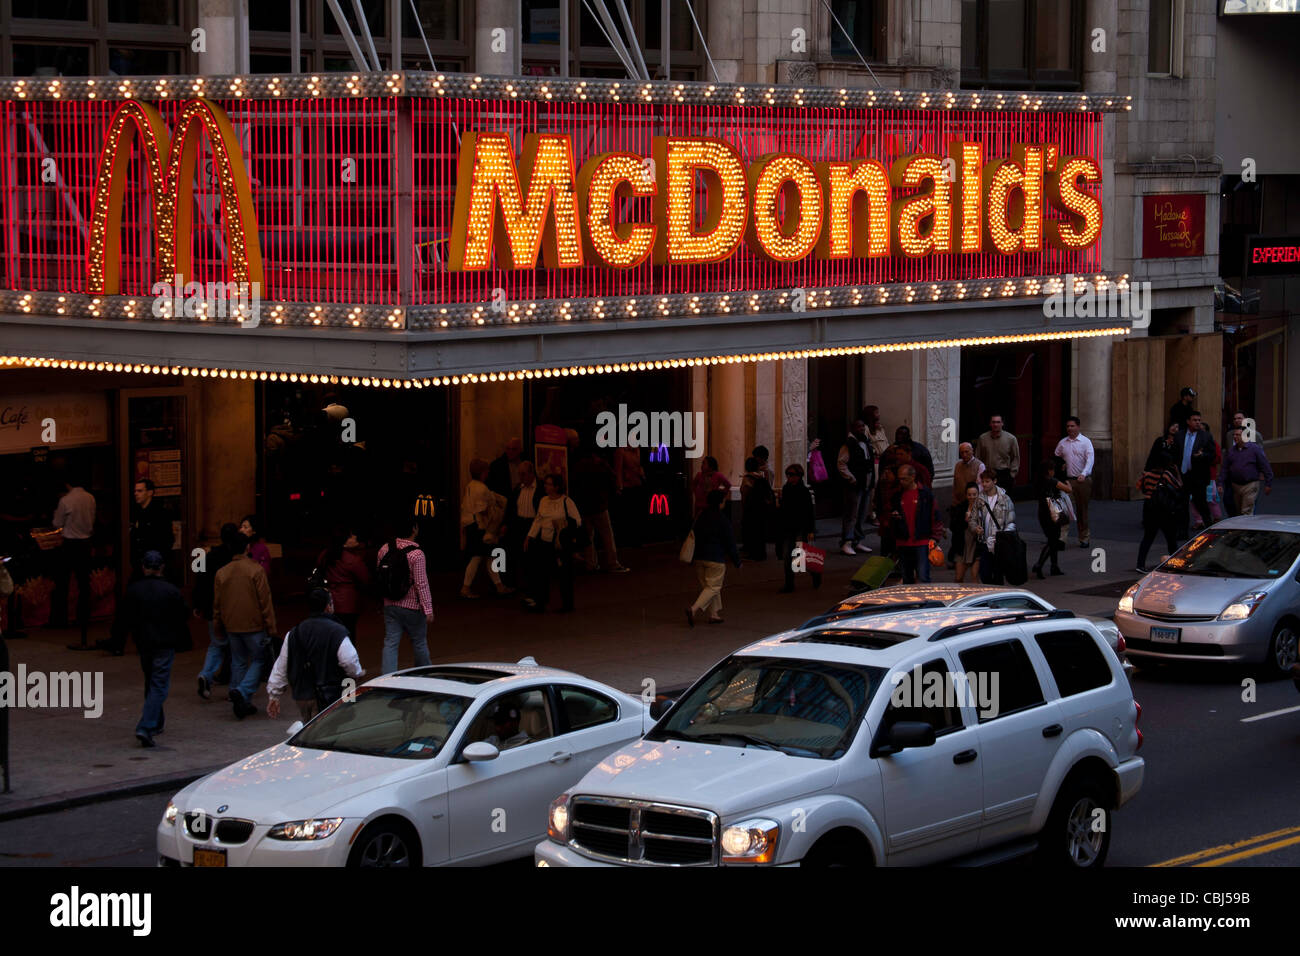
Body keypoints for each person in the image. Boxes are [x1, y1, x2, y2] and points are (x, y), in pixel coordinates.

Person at [112, 550, 190, 747]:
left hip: (144, 642)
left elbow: (123, 618)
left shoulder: (134, 590)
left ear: (144, 568)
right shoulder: (171, 591)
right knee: (158, 683)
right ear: (161, 567)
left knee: (152, 680)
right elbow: (182, 616)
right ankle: (147, 725)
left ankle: (155, 722)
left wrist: (119, 642)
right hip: (164, 642)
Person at [266, 587, 364, 723]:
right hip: (328, 695)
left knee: (310, 730)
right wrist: (357, 674)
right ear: (328, 607)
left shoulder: (295, 632)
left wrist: (274, 695)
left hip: (302, 697)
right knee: (327, 733)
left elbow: (281, 664)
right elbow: (349, 661)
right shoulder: (337, 631)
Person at [212, 527, 277, 719]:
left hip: (232, 624)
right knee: (259, 659)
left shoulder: (222, 573)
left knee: (238, 661)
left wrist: (217, 625)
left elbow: (217, 604)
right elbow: (265, 601)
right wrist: (271, 626)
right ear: (247, 547)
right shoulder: (256, 570)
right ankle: (242, 692)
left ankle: (239, 696)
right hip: (254, 624)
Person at [376, 518, 434, 674]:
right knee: (419, 642)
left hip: (390, 604)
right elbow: (421, 583)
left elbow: (381, 577)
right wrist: (428, 609)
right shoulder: (417, 554)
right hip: (412, 607)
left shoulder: (384, 549)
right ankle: (425, 675)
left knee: (390, 643)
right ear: (414, 529)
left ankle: (387, 678)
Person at [523, 473, 582, 613]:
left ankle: (567, 604)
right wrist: (529, 536)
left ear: (557, 486)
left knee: (564, 575)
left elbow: (578, 521)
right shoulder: (543, 500)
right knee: (541, 574)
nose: (546, 486)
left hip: (560, 543)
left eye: (549, 484)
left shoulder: (566, 501)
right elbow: (538, 519)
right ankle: (541, 602)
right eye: (546, 484)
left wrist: (564, 524)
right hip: (545, 542)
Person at [193, 522, 238, 699]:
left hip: (213, 608)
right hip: (233, 608)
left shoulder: (210, 556)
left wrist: (198, 605)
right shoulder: (236, 557)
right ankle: (235, 688)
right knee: (236, 648)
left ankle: (206, 674)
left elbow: (201, 581)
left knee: (216, 644)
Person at [686, 488, 740, 626]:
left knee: (708, 587)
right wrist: (737, 561)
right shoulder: (722, 519)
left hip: (699, 557)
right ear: (720, 502)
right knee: (713, 587)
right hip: (715, 558)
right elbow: (730, 543)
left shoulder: (701, 516)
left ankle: (714, 614)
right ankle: (693, 609)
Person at [51, 475, 95, 644]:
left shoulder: (66, 500)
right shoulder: (90, 498)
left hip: (70, 543)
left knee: (63, 582)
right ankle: (83, 618)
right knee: (84, 583)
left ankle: (60, 619)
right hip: (85, 543)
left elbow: (57, 523)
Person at [460, 458, 511, 599]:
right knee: (479, 557)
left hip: (472, 525)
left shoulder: (470, 485)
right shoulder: (482, 488)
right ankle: (466, 588)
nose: (488, 472)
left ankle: (499, 586)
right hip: (480, 527)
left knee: (487, 556)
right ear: (483, 472)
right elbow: (482, 510)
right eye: (487, 470)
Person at [572, 445, 628, 573]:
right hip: (600, 504)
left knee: (588, 537)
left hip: (584, 506)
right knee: (607, 535)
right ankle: (612, 563)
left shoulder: (578, 466)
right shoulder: (601, 464)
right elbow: (612, 479)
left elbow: (575, 484)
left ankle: (591, 563)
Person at [1136, 424, 1184, 572]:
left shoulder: (1148, 475)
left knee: (1148, 538)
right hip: (1164, 510)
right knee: (1171, 539)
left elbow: (1140, 487)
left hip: (1150, 507)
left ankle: (1140, 564)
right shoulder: (1167, 475)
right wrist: (1176, 472)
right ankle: (1175, 564)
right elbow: (1179, 486)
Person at [888, 464, 945, 584]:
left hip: (922, 541)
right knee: (907, 577)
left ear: (913, 477)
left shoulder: (925, 494)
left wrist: (935, 537)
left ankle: (925, 601)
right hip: (903, 541)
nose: (901, 481)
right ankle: (910, 602)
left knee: (923, 576)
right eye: (900, 478)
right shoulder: (897, 495)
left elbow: (935, 516)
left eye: (904, 478)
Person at [315, 528, 370, 639]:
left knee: (331, 635)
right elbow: (365, 579)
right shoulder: (352, 560)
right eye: (350, 536)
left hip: (329, 601)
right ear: (344, 542)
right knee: (348, 635)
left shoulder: (325, 554)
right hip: (348, 603)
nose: (354, 537)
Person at [777, 464, 820, 593]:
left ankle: (815, 573)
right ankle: (789, 584)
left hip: (801, 527)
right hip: (788, 527)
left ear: (799, 476)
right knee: (787, 556)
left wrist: (811, 530)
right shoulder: (786, 489)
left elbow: (809, 512)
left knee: (800, 557)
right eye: (788, 474)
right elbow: (784, 509)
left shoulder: (804, 492)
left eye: (792, 475)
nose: (789, 477)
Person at [1054, 416, 1094, 548]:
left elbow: (1090, 460)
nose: (1070, 429)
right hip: (1067, 482)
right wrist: (1061, 467)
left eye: (1072, 426)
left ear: (1078, 427)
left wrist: (1084, 473)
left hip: (1082, 481)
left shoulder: (1085, 442)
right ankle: (1062, 538)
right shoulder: (1063, 443)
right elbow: (1056, 457)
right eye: (1068, 426)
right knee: (1064, 509)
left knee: (1082, 510)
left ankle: (1084, 537)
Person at [837, 420, 874, 556]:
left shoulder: (866, 442)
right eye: (858, 427)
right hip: (854, 485)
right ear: (852, 429)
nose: (862, 429)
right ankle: (846, 541)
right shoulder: (849, 445)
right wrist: (851, 478)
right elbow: (841, 463)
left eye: (863, 426)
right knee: (851, 514)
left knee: (861, 514)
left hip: (866, 484)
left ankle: (857, 540)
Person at [972, 470, 1016, 585]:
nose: (984, 484)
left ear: (994, 481)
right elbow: (973, 518)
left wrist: (1003, 536)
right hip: (985, 543)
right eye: (983, 482)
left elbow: (1011, 522)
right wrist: (976, 528)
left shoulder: (1005, 499)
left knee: (998, 575)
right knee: (984, 574)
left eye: (987, 481)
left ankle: (997, 597)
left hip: (999, 544)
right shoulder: (979, 499)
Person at [1175, 410, 1214, 537]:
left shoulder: (1205, 436)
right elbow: (1176, 454)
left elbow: (1212, 455)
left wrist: (1202, 455)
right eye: (1194, 420)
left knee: (1200, 503)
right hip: (1183, 475)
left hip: (1198, 476)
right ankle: (1182, 531)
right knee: (1182, 504)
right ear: (1188, 422)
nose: (1197, 422)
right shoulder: (1180, 435)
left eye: (1199, 420)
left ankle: (1209, 528)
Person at [506, 460, 544, 589]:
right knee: (517, 554)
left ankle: (533, 584)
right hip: (519, 523)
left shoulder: (540, 488)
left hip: (534, 523)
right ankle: (518, 583)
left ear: (531, 473)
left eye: (523, 474)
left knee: (533, 557)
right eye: (519, 474)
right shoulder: (518, 488)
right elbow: (510, 508)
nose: (521, 477)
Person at [1223, 424, 1274, 517]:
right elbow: (1225, 467)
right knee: (1238, 511)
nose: (1235, 437)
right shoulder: (1232, 450)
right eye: (1234, 435)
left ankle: (1246, 531)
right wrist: (1219, 482)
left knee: (1246, 511)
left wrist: (1268, 483)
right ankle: (1240, 529)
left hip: (1250, 484)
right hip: (1236, 485)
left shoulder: (1255, 449)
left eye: (1238, 435)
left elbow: (1265, 466)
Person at [1032, 459, 1071, 579]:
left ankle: (1054, 566)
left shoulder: (1038, 481)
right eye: (1052, 469)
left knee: (1052, 538)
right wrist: (1068, 483)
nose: (1054, 471)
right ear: (1049, 471)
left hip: (1042, 512)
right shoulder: (1052, 481)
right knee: (1053, 540)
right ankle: (1039, 564)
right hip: (1053, 513)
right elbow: (1068, 489)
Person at [950, 443, 984, 569]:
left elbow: (979, 486)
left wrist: (973, 503)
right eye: (962, 452)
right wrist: (954, 501)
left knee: (970, 531)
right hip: (959, 503)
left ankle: (971, 557)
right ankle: (957, 557)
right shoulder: (958, 465)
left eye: (967, 452)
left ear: (972, 452)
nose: (964, 455)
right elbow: (955, 484)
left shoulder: (979, 465)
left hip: (971, 502)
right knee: (957, 531)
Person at [740, 456, 774, 561]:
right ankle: (761, 554)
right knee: (760, 532)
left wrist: (744, 507)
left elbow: (744, 493)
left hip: (751, 509)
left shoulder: (747, 478)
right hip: (762, 508)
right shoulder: (762, 477)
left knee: (752, 532)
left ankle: (753, 554)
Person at [976, 415, 1020, 491]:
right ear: (990, 424)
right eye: (993, 422)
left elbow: (1015, 457)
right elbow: (978, 457)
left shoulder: (1011, 439)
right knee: (989, 500)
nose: (995, 424)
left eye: (998, 422)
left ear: (1002, 423)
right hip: (988, 473)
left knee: (1004, 500)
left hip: (1004, 474)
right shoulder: (983, 438)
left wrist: (1012, 475)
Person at [613, 444, 646, 547]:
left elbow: (638, 466)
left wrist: (642, 474)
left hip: (636, 483)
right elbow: (618, 470)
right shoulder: (621, 451)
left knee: (636, 513)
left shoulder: (636, 451)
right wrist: (619, 486)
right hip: (627, 486)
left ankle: (636, 539)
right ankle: (628, 540)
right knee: (629, 513)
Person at [955, 482, 981, 583]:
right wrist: (965, 521)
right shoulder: (961, 508)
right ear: (966, 495)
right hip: (963, 545)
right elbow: (955, 527)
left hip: (976, 545)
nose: (972, 497)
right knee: (958, 577)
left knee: (975, 576)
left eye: (974, 494)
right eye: (969, 494)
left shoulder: (982, 508)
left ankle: (978, 597)